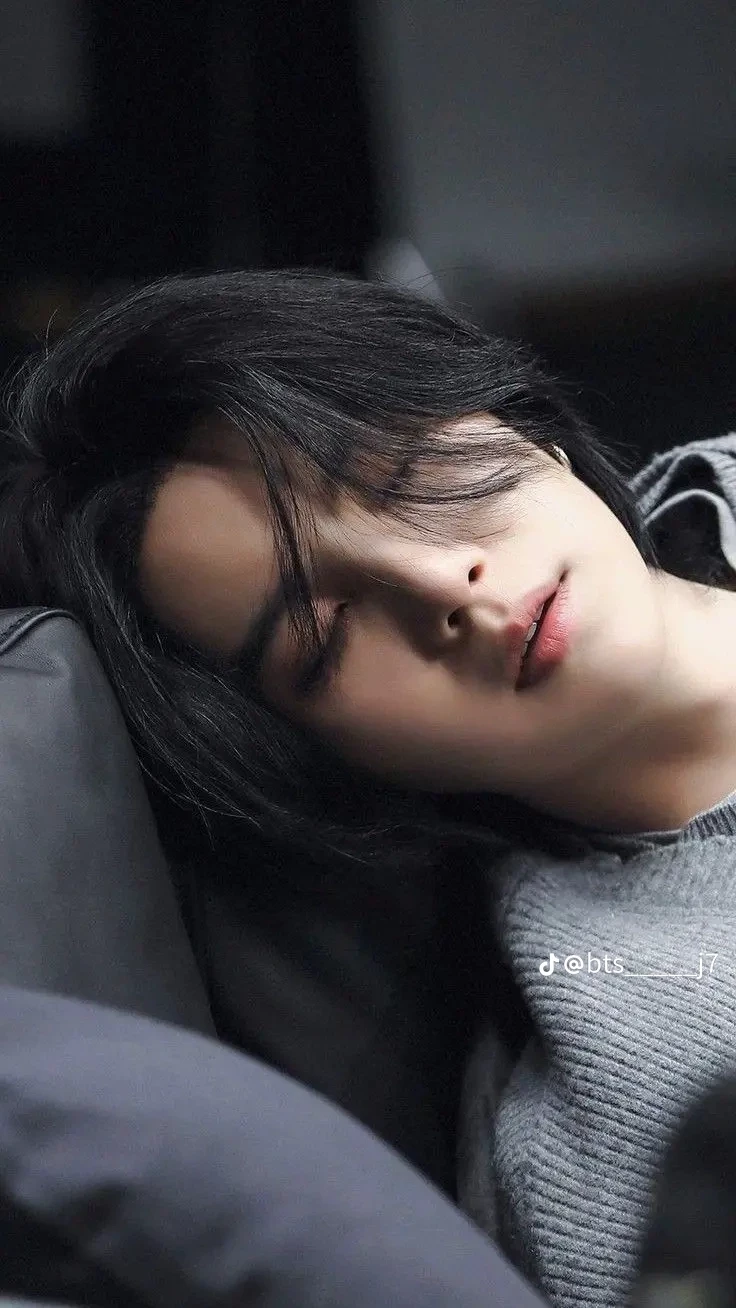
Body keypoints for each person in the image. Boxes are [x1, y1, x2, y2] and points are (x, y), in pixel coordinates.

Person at [2, 268, 736, 1308]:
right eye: (326, 637)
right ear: (324, 757)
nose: (442, 585)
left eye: (404, 477)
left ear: (518, 423)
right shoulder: (616, 1097)